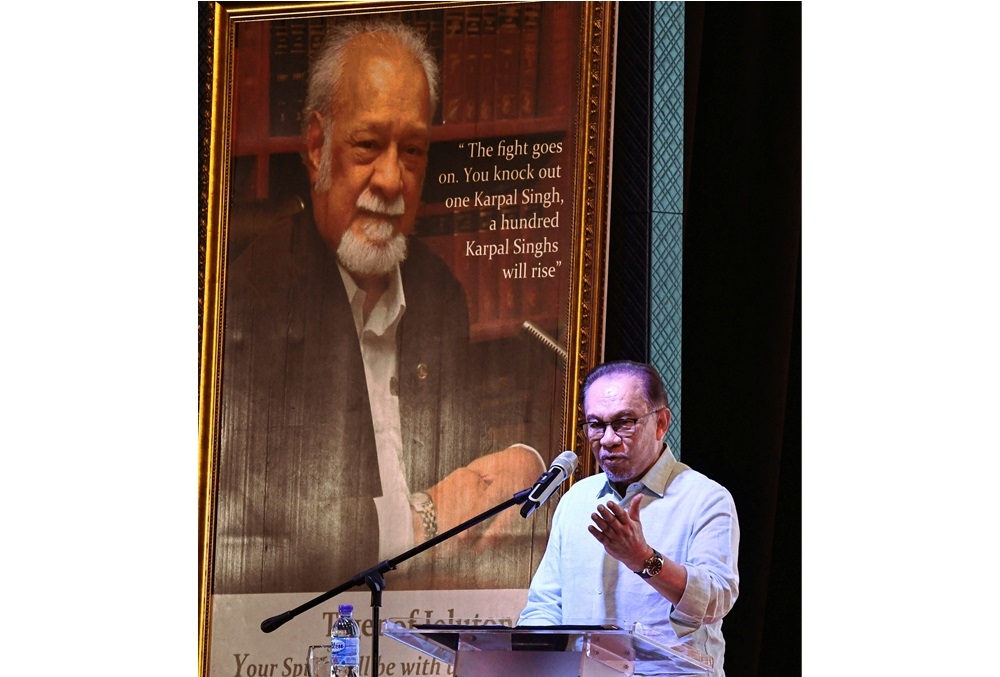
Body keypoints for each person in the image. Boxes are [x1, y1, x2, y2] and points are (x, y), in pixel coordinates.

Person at [214, 20, 544, 594]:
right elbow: (285, 527)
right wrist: (427, 521)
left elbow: (463, 465)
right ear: (318, 146)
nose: (392, 179)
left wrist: (525, 460)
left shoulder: (439, 291)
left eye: (412, 150)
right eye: (368, 145)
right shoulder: (254, 298)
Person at [518, 361, 739, 676]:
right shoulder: (576, 500)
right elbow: (545, 605)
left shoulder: (705, 498)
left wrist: (643, 559)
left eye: (623, 422)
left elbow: (717, 599)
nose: (607, 439)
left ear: (661, 423)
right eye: (596, 424)